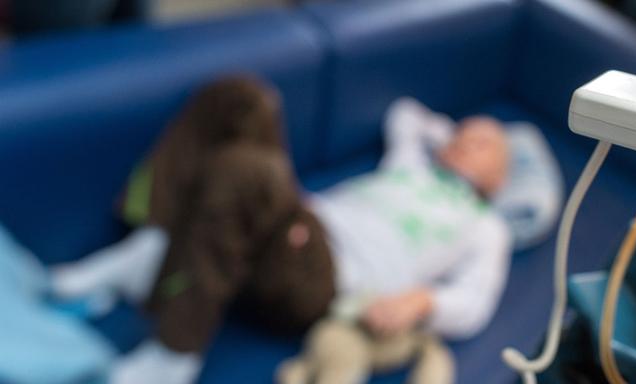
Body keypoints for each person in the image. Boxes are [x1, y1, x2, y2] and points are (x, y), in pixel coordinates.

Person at [51, 76, 513, 384]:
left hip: (326, 279)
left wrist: (421, 301)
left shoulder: (485, 226)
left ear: (502, 175)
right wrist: (451, 138)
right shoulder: (413, 166)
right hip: (298, 223)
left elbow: (475, 303)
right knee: (242, 97)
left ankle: (176, 351)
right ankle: (153, 241)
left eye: (484, 143)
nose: (466, 142)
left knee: (249, 171)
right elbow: (405, 114)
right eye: (464, 134)